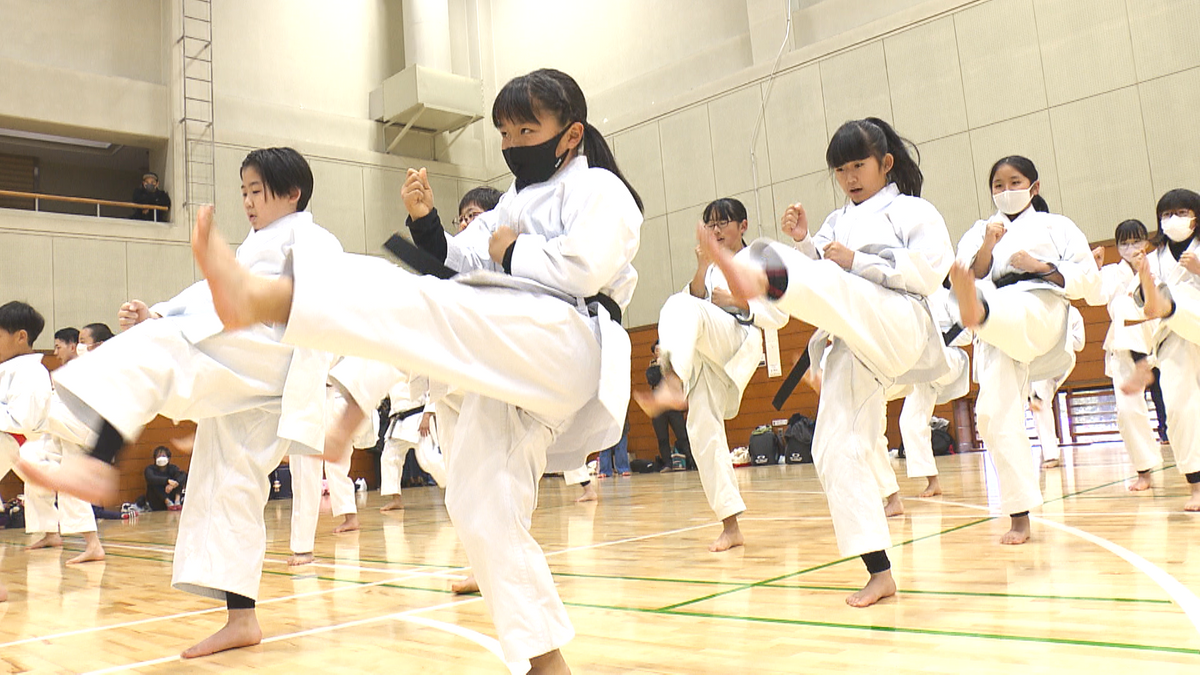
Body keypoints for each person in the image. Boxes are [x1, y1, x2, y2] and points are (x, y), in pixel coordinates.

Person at [189, 68, 642, 675]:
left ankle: (279, 308)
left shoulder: (602, 191)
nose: (512, 144)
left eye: (526, 129)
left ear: (570, 134)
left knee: (429, 308)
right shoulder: (514, 202)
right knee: (480, 506)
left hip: (565, 336)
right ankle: (545, 662)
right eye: (504, 132)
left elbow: (583, 268)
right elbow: (461, 256)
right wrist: (428, 225)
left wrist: (512, 252)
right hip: (509, 350)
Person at [19, 147, 343, 659]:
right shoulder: (260, 242)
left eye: (257, 191)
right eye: (244, 193)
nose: (248, 203)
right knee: (227, 484)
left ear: (292, 193)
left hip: (267, 354)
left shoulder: (314, 239)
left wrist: (168, 323)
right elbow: (211, 293)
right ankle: (242, 618)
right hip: (254, 372)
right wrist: (162, 311)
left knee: (156, 352)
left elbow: (311, 305)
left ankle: (97, 461)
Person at [700, 117, 953, 607]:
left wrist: (852, 258)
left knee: (823, 278)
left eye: (858, 166)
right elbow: (826, 270)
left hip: (899, 320)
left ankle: (758, 276)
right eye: (840, 170)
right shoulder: (838, 222)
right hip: (854, 340)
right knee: (832, 447)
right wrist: (806, 241)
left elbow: (926, 271)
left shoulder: (914, 211)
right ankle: (879, 570)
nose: (850, 177)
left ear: (886, 163)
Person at [948, 155, 1100, 544]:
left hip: (1041, 304)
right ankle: (1019, 514)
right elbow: (971, 271)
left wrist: (1038, 264)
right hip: (995, 314)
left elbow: (1086, 279)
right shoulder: (982, 229)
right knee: (992, 413)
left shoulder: (1056, 225)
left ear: (1033, 187)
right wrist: (988, 244)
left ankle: (977, 312)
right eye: (997, 185)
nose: (1005, 191)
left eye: (1013, 183)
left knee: (1009, 308)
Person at [1085, 220, 1163, 490]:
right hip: (1122, 347)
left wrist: (1144, 273)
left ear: (1147, 241)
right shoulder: (1110, 272)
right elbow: (1094, 297)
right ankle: (1143, 470)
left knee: (1182, 409)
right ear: (1117, 246)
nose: (1131, 248)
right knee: (1128, 412)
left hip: (1160, 339)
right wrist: (1092, 268)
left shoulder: (1159, 263)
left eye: (1136, 241)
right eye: (1124, 243)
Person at [1135, 188, 1200, 511]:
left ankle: (1170, 304)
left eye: (1182, 212)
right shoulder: (1150, 260)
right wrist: (1147, 293)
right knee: (1179, 410)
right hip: (1173, 337)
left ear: (1196, 217)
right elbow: (1138, 302)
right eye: (1167, 214)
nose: (1173, 219)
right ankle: (1196, 485)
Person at [0, 301, 54, 603]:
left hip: (8, 439)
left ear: (21, 336)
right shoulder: (8, 369)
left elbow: (24, 420)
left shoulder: (32, 372)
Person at [1029, 305, 1086, 469]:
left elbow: (1079, 344)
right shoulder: (1038, 310)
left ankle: (1051, 454)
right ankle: (1048, 452)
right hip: (1038, 361)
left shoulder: (1072, 312)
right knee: (1038, 400)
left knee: (1039, 395)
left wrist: (1059, 337)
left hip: (1063, 358)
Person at [646, 341, 692, 471]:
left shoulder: (673, 364)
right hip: (659, 406)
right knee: (662, 437)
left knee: (682, 435)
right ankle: (667, 463)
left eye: (661, 349)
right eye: (656, 350)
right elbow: (652, 380)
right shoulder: (652, 366)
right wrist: (659, 367)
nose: (659, 351)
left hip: (673, 404)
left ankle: (691, 460)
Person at [144, 445, 187, 510]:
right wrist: (167, 481)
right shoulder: (150, 469)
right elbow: (151, 478)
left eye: (163, 456)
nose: (161, 458)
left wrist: (173, 485)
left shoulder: (173, 468)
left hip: (172, 497)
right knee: (154, 483)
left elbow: (183, 475)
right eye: (159, 456)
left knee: (179, 479)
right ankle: (167, 502)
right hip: (157, 501)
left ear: (168, 458)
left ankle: (177, 501)